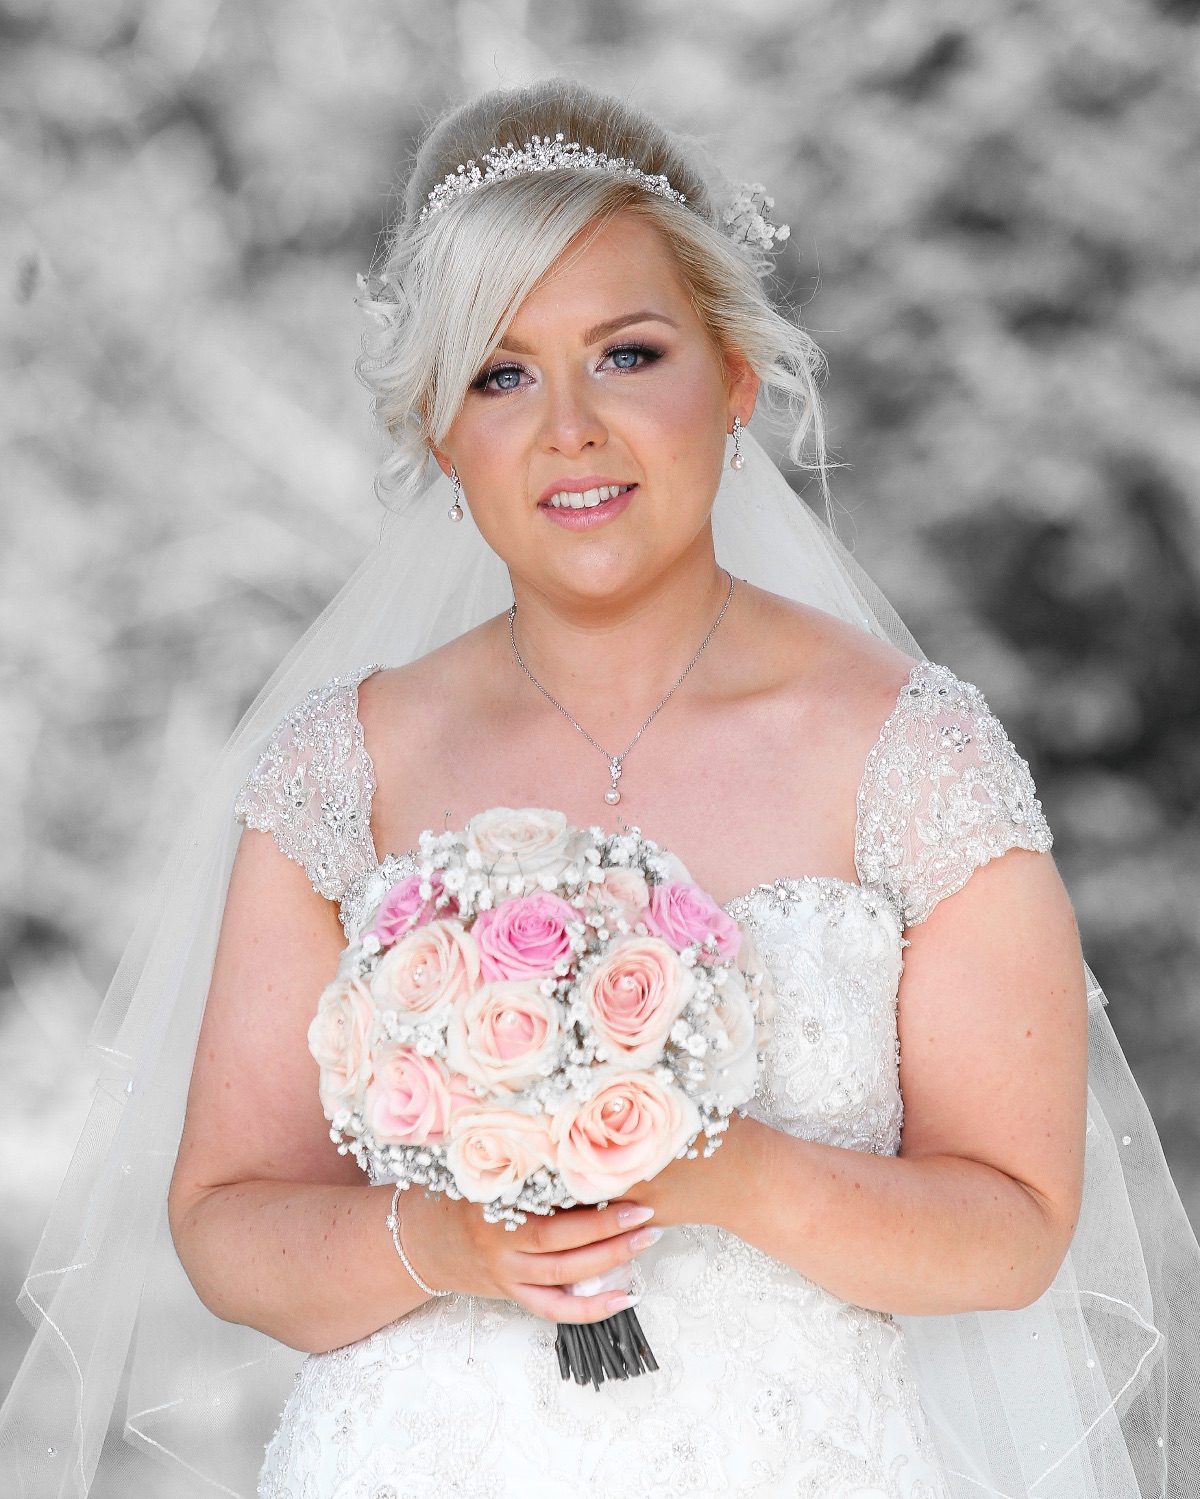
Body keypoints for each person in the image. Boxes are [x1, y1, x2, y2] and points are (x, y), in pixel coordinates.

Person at [2, 79, 1197, 1499]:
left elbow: (1015, 1228)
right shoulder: (342, 768)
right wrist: (443, 1244)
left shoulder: (912, 756)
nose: (568, 425)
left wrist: (723, 1172)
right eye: (499, 375)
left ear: (733, 379)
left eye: (628, 354)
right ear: (440, 430)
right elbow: (224, 1223)